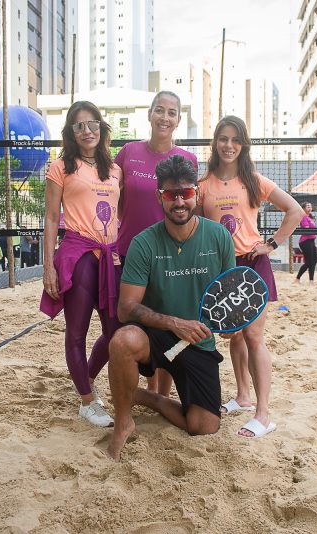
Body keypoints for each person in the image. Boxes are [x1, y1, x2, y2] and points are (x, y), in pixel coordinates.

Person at [107, 154, 235, 461]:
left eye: (186, 193)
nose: (179, 202)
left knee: (203, 426)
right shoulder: (144, 243)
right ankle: (123, 422)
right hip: (158, 336)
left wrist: (234, 326)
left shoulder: (218, 237)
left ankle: (142, 397)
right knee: (122, 341)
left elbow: (229, 300)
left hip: (198, 340)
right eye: (170, 194)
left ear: (196, 193)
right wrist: (174, 323)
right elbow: (126, 309)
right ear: (159, 197)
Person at [197, 115, 303, 439]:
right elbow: (200, 231)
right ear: (215, 142)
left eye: (235, 139)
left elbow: (295, 210)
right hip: (222, 266)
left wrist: (270, 244)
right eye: (223, 139)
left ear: (243, 145)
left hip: (253, 264)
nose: (229, 145)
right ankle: (243, 396)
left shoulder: (255, 181)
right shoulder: (203, 186)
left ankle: (263, 413)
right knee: (236, 337)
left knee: (254, 337)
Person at [40, 101, 123, 428]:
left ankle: (84, 379)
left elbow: (120, 215)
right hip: (78, 255)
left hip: (110, 257)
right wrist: (49, 266)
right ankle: (88, 401)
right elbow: (49, 217)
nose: (87, 130)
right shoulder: (61, 167)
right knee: (77, 332)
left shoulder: (114, 169)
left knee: (114, 332)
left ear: (101, 128)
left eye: (92, 124)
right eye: (79, 126)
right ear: (71, 133)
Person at [114, 90, 199, 397]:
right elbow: (113, 197)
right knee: (130, 322)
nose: (165, 117)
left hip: (169, 256)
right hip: (129, 252)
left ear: (178, 120)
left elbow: (191, 207)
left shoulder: (188, 160)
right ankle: (133, 389)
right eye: (159, 110)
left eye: (172, 112)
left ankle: (159, 394)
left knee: (165, 325)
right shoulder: (128, 152)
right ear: (149, 114)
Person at [295, 202, 317, 284]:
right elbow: (307, 230)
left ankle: (311, 281)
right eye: (308, 206)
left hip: (311, 241)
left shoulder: (310, 218)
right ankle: (297, 279)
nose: (310, 207)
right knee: (309, 262)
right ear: (303, 208)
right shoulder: (303, 216)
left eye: (310, 206)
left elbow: (312, 231)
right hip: (305, 241)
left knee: (314, 261)